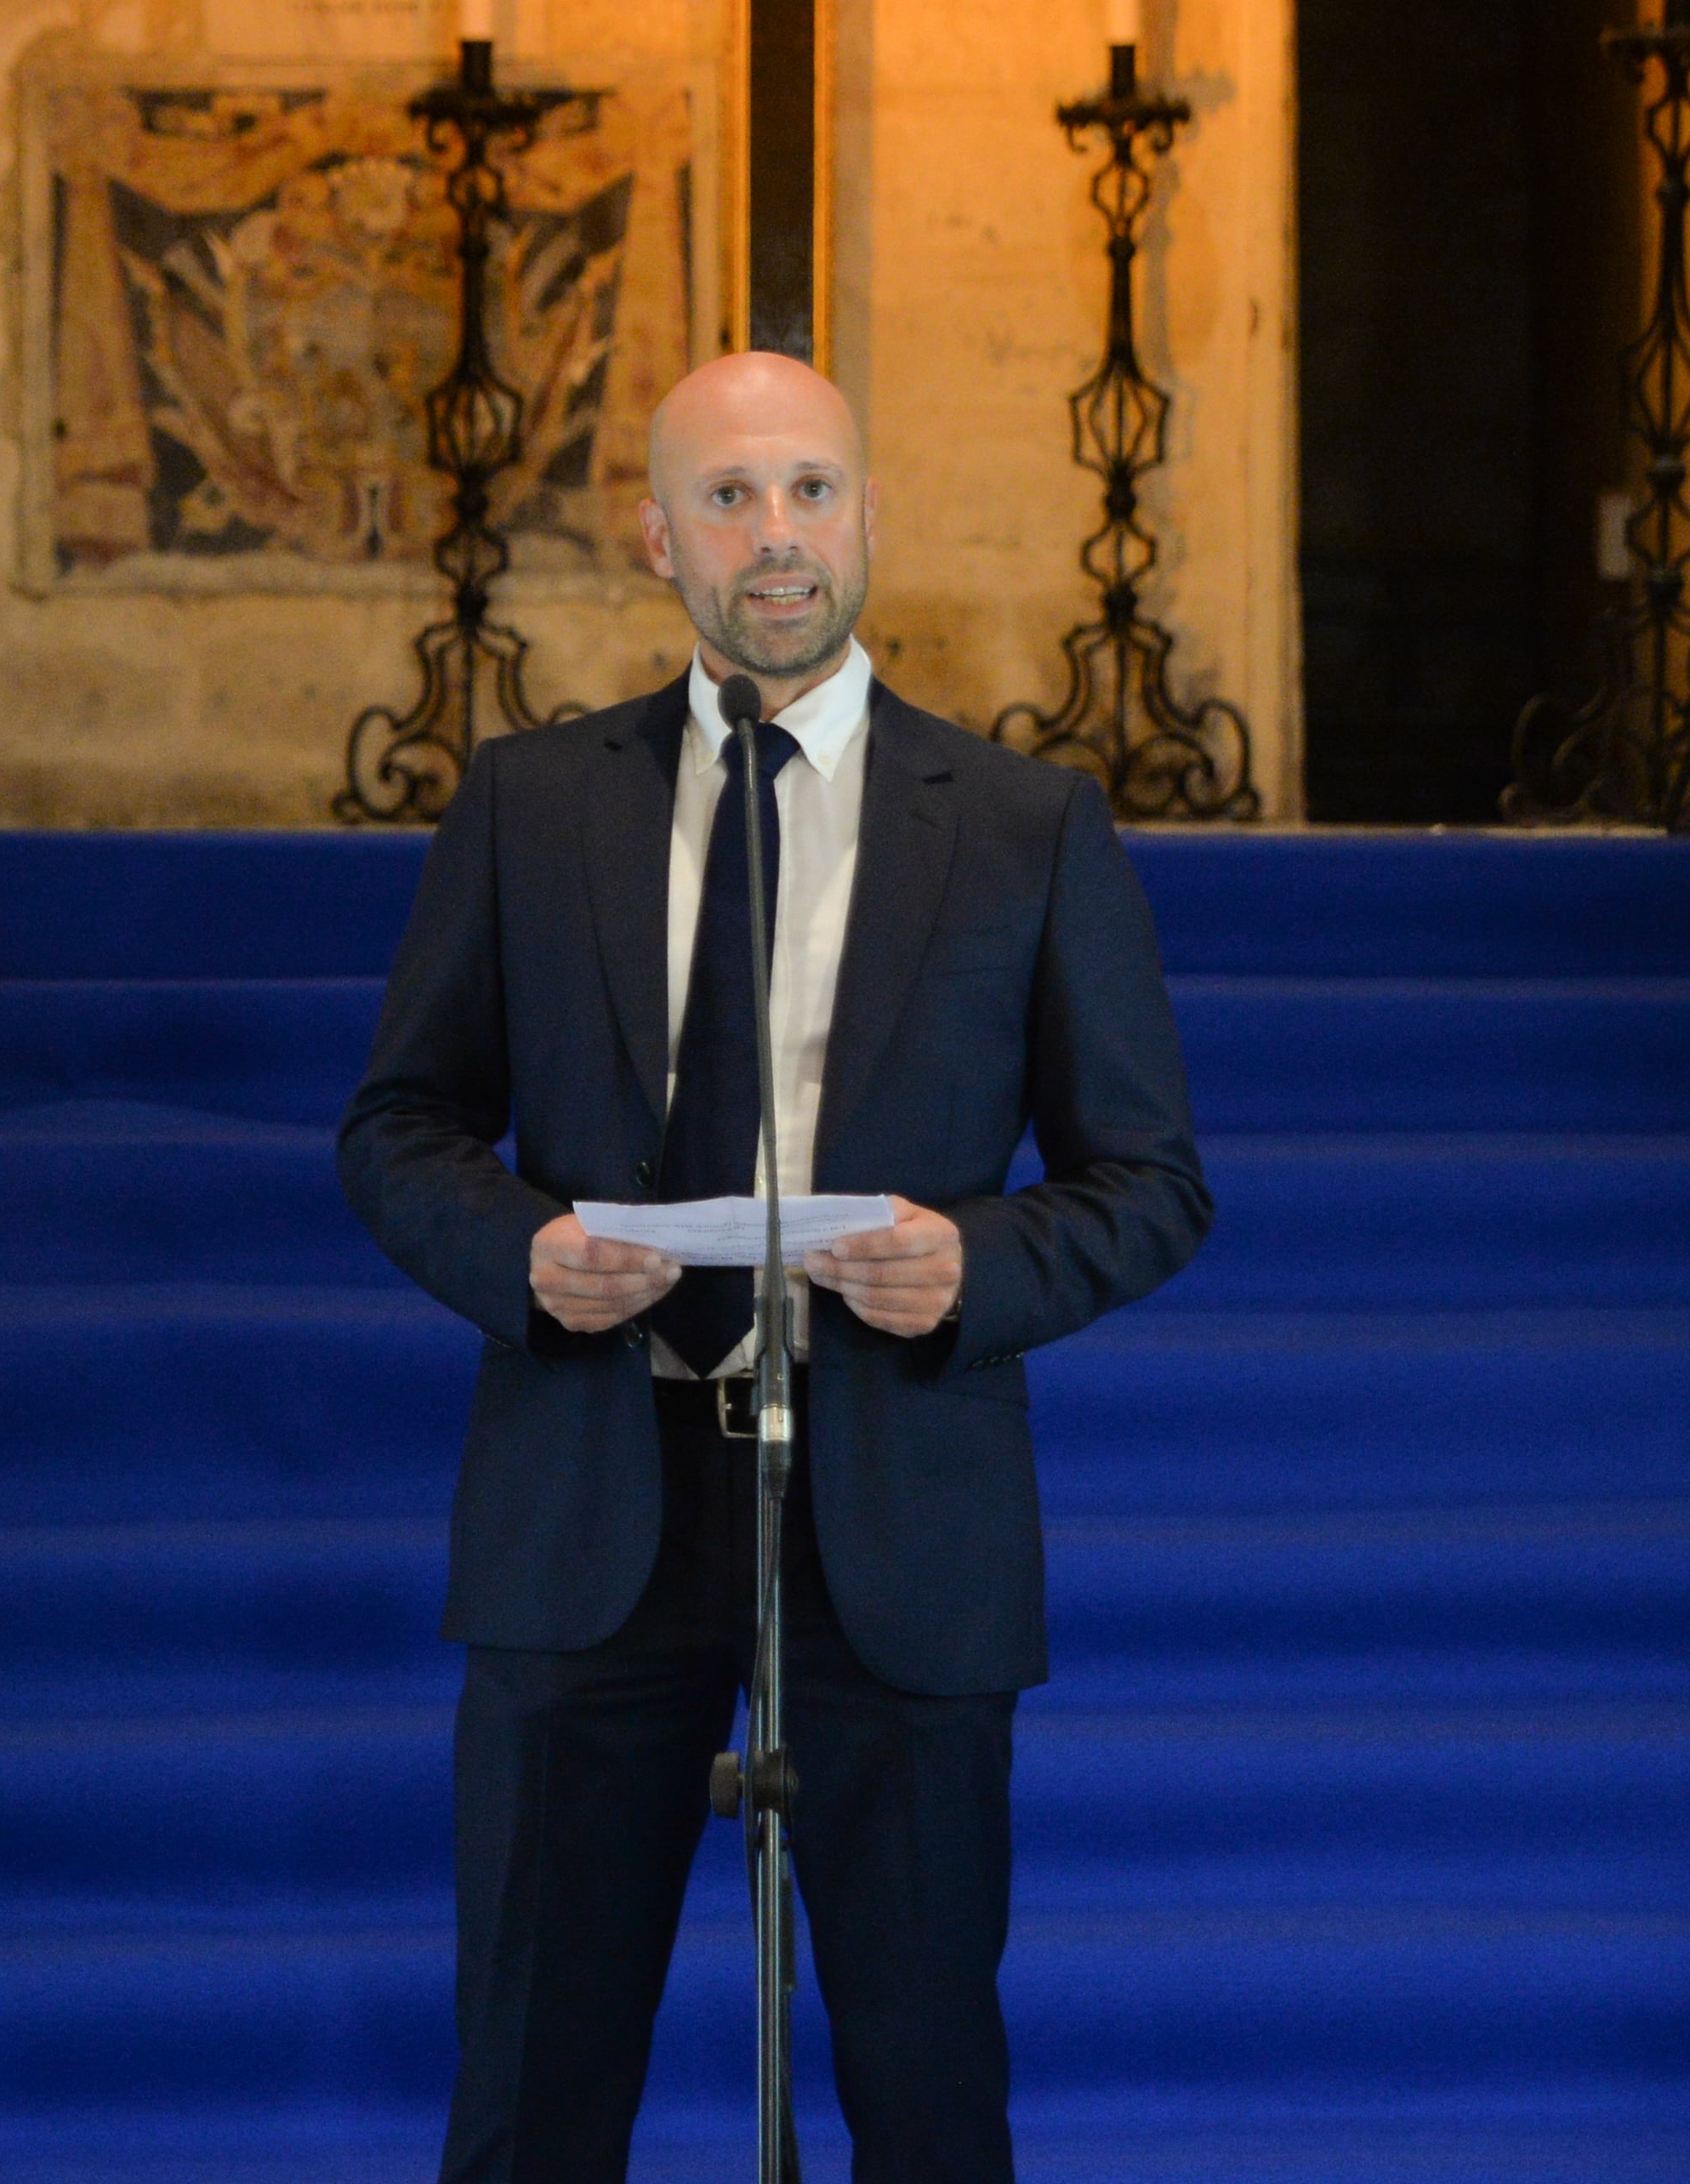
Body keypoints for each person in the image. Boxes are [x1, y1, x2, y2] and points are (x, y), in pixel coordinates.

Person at [338, 350, 1209, 2183]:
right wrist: (528, 1255)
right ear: (658, 537)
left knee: (925, 2089)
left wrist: (972, 1263)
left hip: (894, 1502)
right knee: (531, 2084)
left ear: (869, 517)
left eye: (813, 489)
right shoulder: (528, 804)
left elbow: (1150, 1182)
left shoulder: (1027, 828)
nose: (779, 536)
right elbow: (398, 1128)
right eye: (730, 498)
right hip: (597, 1495)